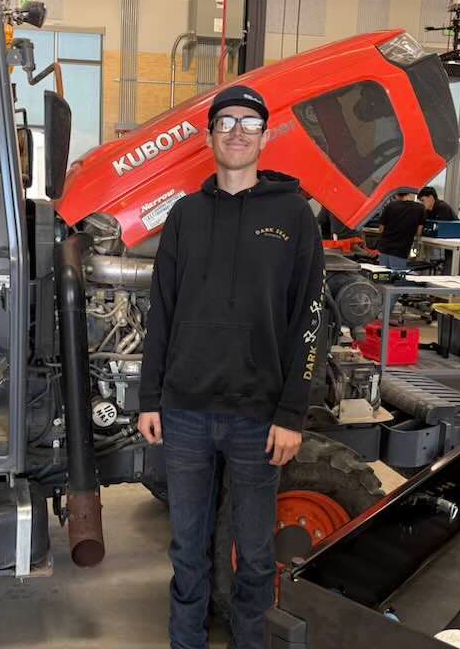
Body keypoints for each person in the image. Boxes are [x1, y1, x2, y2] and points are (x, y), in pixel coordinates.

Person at [137, 85, 326, 649]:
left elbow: (310, 320)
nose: (237, 131)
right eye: (226, 121)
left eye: (249, 123)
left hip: (258, 418)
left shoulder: (295, 215)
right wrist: (150, 397)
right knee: (187, 553)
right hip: (186, 413)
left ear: (265, 138)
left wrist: (293, 412)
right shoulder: (186, 216)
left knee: (256, 556)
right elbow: (161, 311)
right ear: (211, 136)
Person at [376, 191, 425, 270]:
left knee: (382, 276)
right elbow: (419, 231)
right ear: (409, 193)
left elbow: (381, 229)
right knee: (397, 278)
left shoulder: (390, 206)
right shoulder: (420, 208)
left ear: (396, 194)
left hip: (384, 248)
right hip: (401, 250)